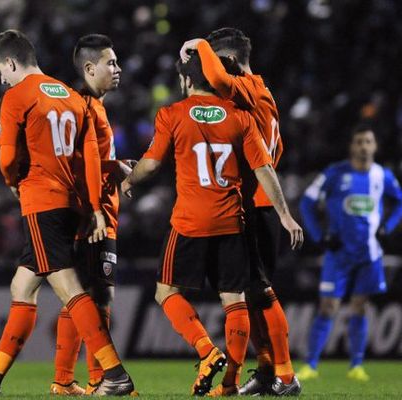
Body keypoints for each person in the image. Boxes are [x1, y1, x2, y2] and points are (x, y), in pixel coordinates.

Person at [0, 30, 135, 396]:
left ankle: (114, 374)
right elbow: (90, 159)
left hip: (42, 201)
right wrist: (95, 208)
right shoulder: (70, 95)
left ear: (11, 62)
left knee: (70, 290)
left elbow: (6, 159)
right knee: (22, 285)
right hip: (71, 204)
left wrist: (12, 180)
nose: (0, 78)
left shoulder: (16, 95)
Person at [121, 51, 303, 396]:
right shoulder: (240, 117)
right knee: (234, 300)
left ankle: (206, 350)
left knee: (165, 292)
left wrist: (128, 182)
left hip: (189, 221)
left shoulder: (172, 113)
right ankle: (231, 383)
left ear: (187, 80)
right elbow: (264, 169)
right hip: (231, 220)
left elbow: (151, 163)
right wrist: (284, 214)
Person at [179, 27, 299, 395]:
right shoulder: (261, 93)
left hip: (259, 204)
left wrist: (197, 44)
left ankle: (286, 375)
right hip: (255, 203)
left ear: (228, 61)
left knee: (261, 290)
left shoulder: (246, 86)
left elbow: (216, 76)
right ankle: (266, 371)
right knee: (250, 292)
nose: (209, 72)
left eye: (214, 60)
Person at [50, 34, 134, 396]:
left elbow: (93, 162)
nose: (117, 69)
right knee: (96, 297)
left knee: (86, 294)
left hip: (99, 212)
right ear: (89, 68)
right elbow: (77, 165)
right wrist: (94, 210)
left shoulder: (93, 105)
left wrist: (114, 167)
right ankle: (97, 379)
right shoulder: (82, 106)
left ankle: (65, 380)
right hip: (94, 217)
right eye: (110, 63)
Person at [298, 125, 402, 381]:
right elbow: (306, 203)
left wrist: (387, 228)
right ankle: (310, 365)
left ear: (375, 146)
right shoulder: (334, 173)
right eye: (359, 142)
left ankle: (356, 365)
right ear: (352, 147)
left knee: (360, 306)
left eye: (368, 142)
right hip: (338, 255)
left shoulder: (383, 176)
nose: (364, 147)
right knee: (328, 307)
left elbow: (400, 201)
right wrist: (319, 237)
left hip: (369, 255)